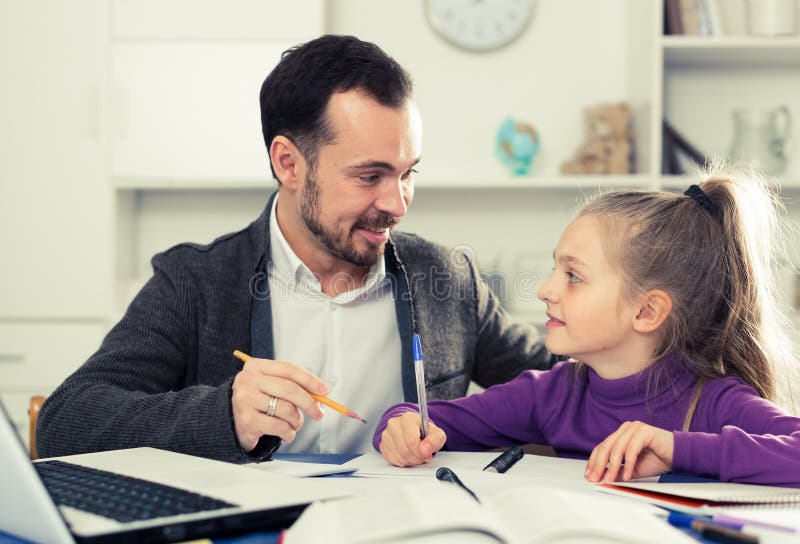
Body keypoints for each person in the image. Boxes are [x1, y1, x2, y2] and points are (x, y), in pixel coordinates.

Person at [36, 35, 551, 463]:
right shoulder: (195, 281)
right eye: (370, 176)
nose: (397, 203)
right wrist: (222, 415)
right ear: (288, 163)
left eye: (408, 173)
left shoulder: (448, 278)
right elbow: (67, 421)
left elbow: (566, 383)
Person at [375, 168, 800, 486]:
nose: (545, 290)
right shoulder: (554, 393)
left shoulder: (713, 401)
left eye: (573, 276)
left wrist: (675, 449)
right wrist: (401, 425)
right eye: (553, 269)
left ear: (647, 312)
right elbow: (426, 419)